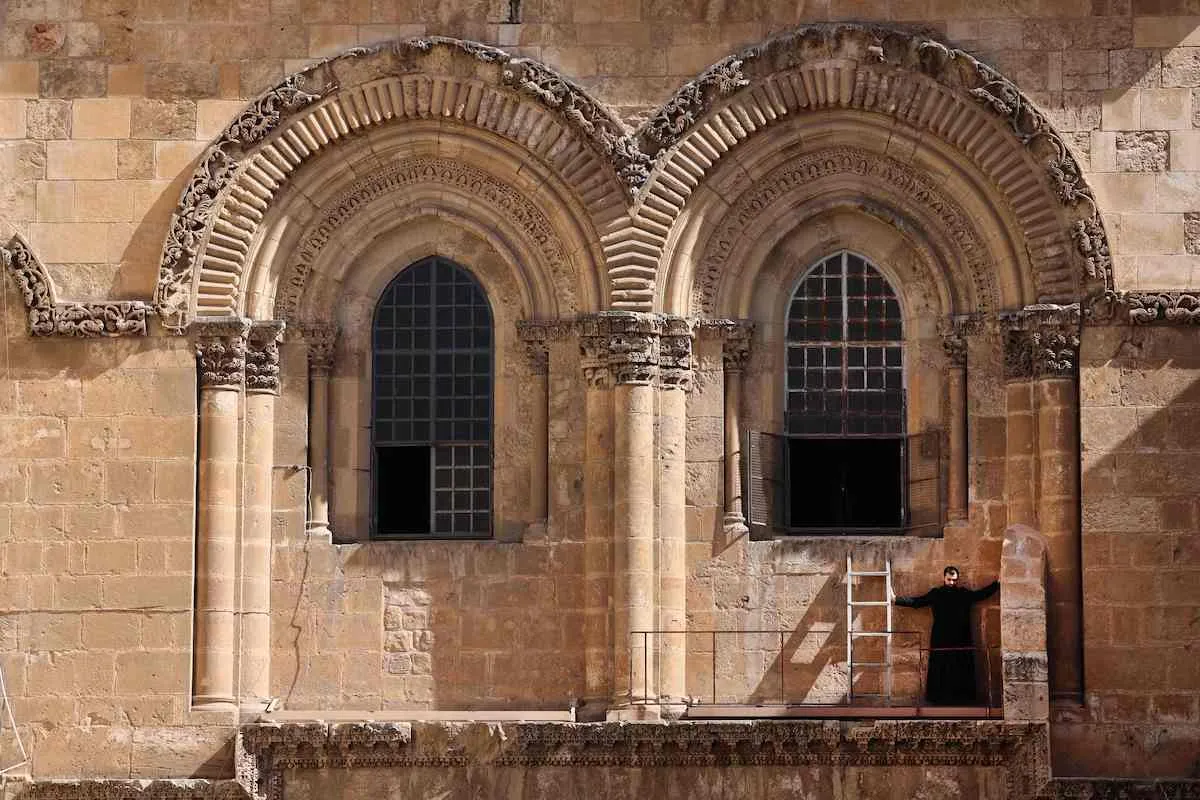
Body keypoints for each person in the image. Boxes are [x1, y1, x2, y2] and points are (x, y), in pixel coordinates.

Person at [890, 566, 999, 706]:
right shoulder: (937, 594)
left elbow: (981, 594)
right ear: (944, 578)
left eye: (954, 580)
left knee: (961, 667)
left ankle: (962, 699)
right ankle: (940, 699)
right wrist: (896, 599)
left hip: (961, 637)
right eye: (949, 579)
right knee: (941, 667)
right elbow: (918, 602)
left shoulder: (963, 594)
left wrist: (997, 584)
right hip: (941, 638)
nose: (952, 583)